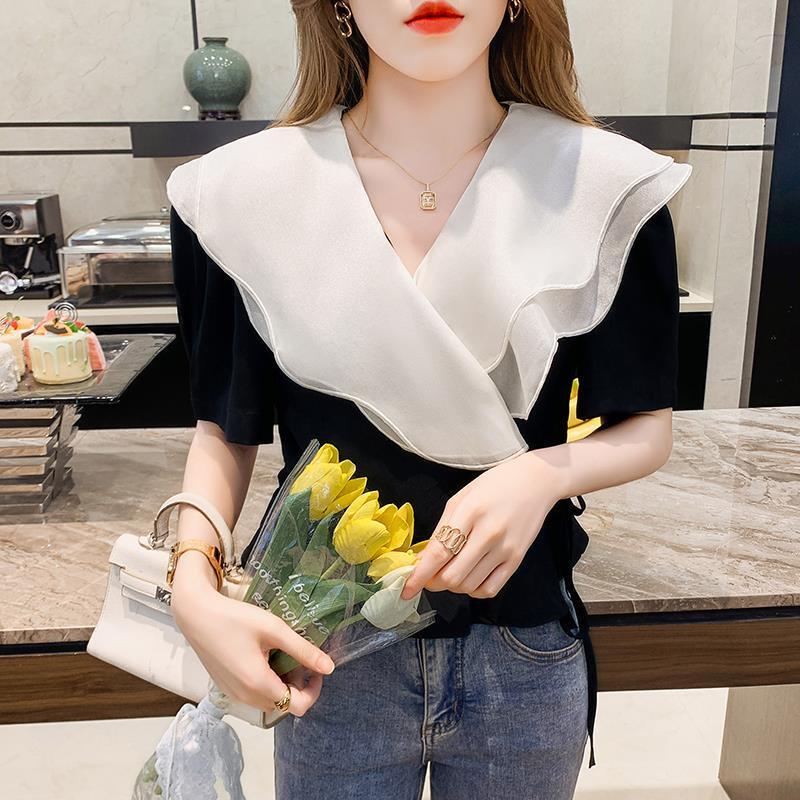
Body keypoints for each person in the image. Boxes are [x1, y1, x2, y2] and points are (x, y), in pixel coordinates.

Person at [166, 1, 692, 798]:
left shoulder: (604, 186)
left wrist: (538, 475)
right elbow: (226, 431)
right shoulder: (247, 194)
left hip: (522, 643)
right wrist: (190, 582)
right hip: (326, 649)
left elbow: (646, 426)